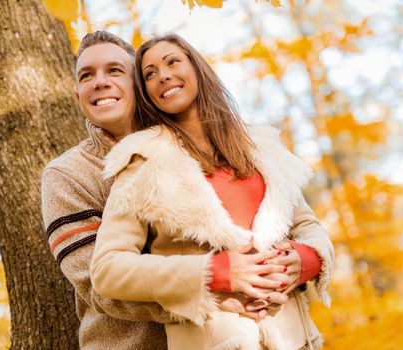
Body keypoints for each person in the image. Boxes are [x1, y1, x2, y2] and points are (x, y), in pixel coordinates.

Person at [89, 33, 334, 350]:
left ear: (197, 68)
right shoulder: (143, 162)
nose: (163, 75)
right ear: (146, 93)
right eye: (149, 73)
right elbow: (108, 268)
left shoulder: (261, 147)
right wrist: (213, 273)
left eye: (173, 61)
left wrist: (302, 261)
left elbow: (308, 226)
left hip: (297, 340)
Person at [40, 31, 171, 349]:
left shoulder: (182, 145)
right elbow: (102, 287)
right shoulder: (66, 174)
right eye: (87, 75)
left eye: (114, 70)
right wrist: (217, 292)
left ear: (138, 83)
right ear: (78, 97)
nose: (100, 81)